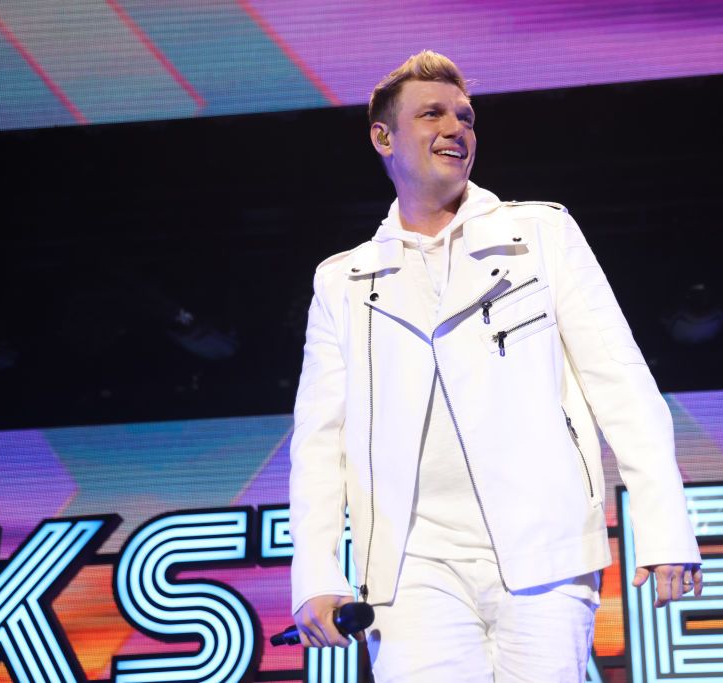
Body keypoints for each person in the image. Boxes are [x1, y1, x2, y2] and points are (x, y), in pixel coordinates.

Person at [288, 50, 702, 681]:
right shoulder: (344, 280)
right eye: (432, 114)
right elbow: (320, 443)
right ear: (383, 136)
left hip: (544, 550)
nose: (456, 128)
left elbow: (622, 385)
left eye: (466, 117)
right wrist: (315, 572)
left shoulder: (540, 235)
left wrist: (665, 525)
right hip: (409, 566)